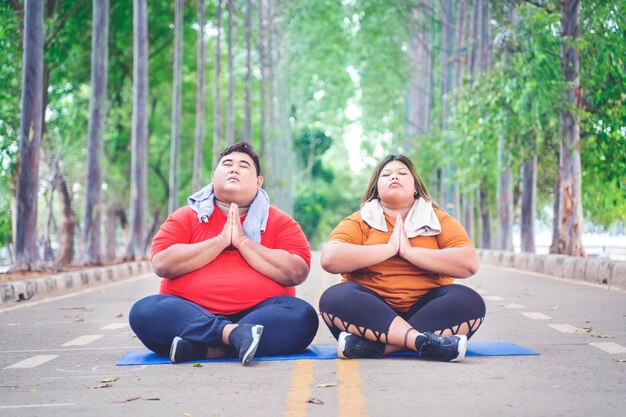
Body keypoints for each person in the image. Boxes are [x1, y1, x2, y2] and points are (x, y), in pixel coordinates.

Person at [129, 142, 318, 366]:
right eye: (227, 164)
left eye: (244, 165)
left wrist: (243, 242)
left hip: (260, 315)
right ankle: (234, 337)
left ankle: (204, 348)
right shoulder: (185, 217)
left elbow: (296, 272)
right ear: (213, 176)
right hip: (190, 315)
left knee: (302, 316)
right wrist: (219, 242)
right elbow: (162, 264)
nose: (234, 169)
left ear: (258, 182)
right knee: (145, 311)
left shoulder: (280, 221)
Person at [319, 154, 485, 362]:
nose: (394, 177)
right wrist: (388, 249)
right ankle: (422, 342)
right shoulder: (360, 220)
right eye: (386, 174)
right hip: (372, 316)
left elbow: (469, 263)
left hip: (428, 312)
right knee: (335, 297)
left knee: (468, 301)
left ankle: (377, 348)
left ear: (415, 186)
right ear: (376, 188)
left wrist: (410, 252)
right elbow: (330, 259)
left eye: (402, 173)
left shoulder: (439, 219)